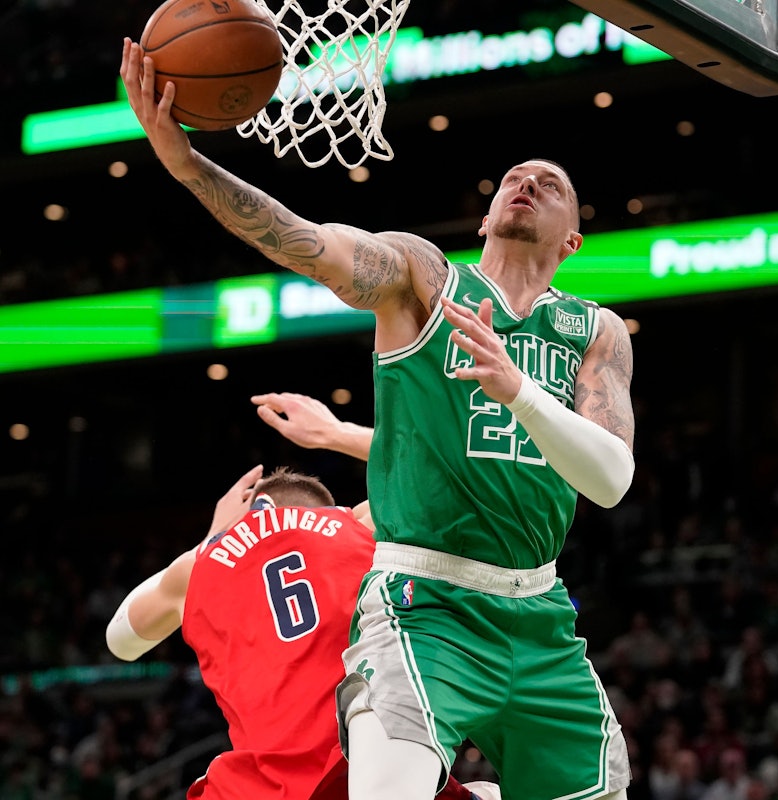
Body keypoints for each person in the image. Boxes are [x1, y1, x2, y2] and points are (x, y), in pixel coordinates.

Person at [121, 30, 636, 800]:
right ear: (487, 214)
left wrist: (516, 392)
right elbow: (309, 243)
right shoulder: (423, 279)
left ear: (573, 238)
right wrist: (187, 164)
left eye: (548, 181)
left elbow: (610, 480)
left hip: (538, 614)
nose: (525, 181)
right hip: (422, 602)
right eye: (511, 178)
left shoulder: (593, 330)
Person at [104, 461, 492, 800]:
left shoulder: (198, 565)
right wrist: (335, 434)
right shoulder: (360, 524)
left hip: (252, 786)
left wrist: (212, 535)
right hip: (362, 767)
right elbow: (452, 471)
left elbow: (120, 640)